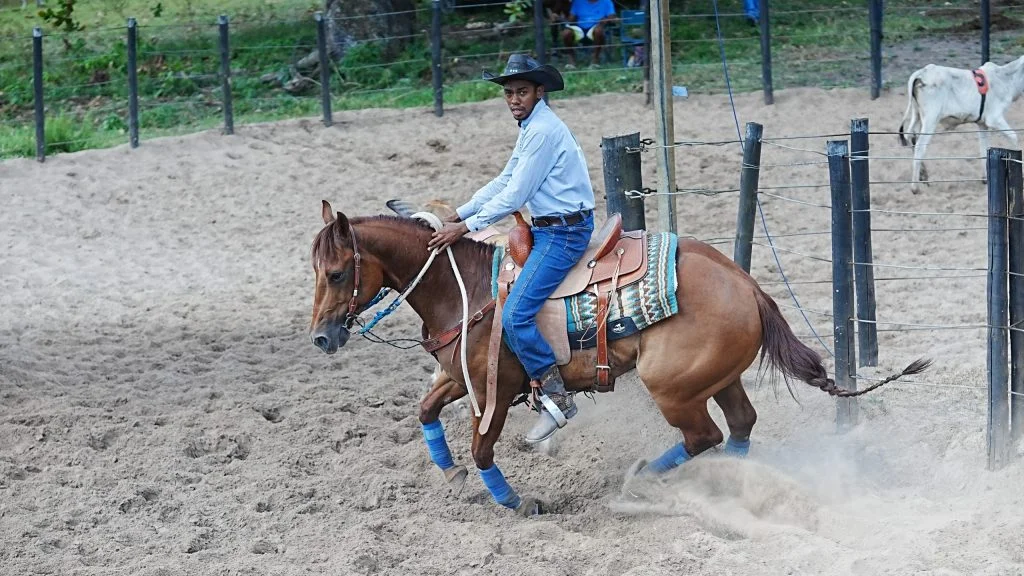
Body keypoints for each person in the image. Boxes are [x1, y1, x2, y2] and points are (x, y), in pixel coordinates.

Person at [427, 53, 596, 444]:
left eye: (522, 91)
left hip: (563, 234)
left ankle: (556, 395)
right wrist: (460, 213)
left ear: (540, 92)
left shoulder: (542, 131)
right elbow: (505, 178)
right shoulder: (532, 127)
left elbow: (517, 194)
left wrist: (465, 227)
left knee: (516, 314)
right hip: (549, 228)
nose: (514, 99)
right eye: (509, 93)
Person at [560, 0, 617, 67]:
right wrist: (561, 18)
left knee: (598, 31)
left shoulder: (607, 2)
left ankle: (595, 60)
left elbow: (612, 17)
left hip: (596, 28)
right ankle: (572, 60)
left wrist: (606, 19)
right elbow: (571, 19)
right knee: (566, 33)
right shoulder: (578, 1)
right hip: (580, 29)